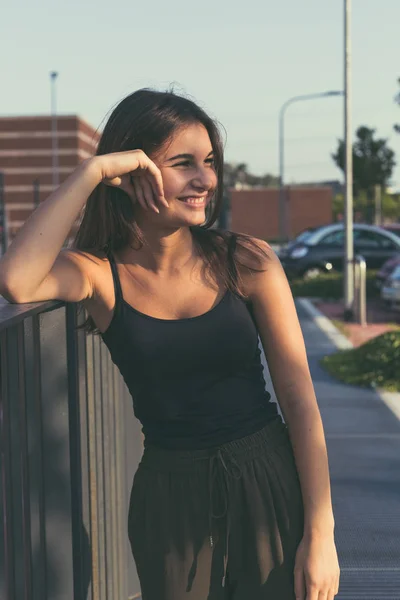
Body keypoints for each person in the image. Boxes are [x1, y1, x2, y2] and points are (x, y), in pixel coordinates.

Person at [0, 89, 340, 600]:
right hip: (169, 495)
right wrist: (91, 172)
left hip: (266, 479)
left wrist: (321, 534)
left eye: (209, 163)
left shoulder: (247, 261)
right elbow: (18, 281)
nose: (204, 179)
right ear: (132, 173)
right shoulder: (99, 274)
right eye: (183, 164)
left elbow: (301, 402)